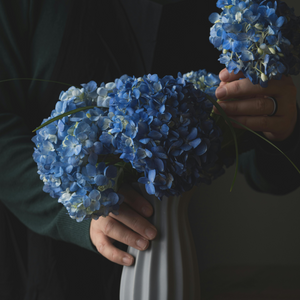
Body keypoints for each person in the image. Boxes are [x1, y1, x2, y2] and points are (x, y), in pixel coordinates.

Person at [0, 0, 299, 299]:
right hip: (45, 261)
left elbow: (266, 173)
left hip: (173, 252)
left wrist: (282, 127)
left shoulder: (229, 11)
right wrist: (81, 205)